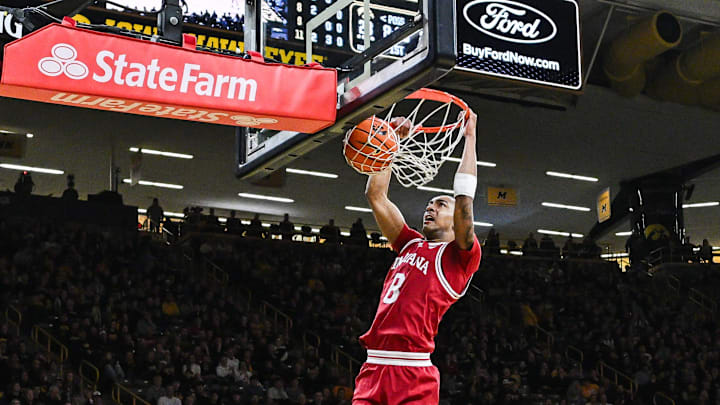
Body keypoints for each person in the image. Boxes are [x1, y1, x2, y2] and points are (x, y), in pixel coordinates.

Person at [352, 111, 482, 404]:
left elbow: (464, 200)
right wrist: (391, 141)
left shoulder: (459, 259)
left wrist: (470, 139)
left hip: (413, 372)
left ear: (456, 219)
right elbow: (376, 195)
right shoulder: (409, 243)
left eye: (440, 204)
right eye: (428, 203)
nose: (430, 208)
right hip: (373, 367)